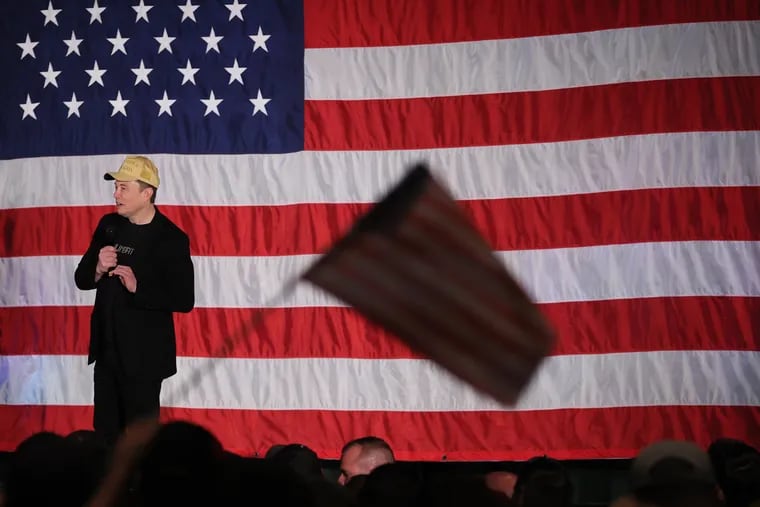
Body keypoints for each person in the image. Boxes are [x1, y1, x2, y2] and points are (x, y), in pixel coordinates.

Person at [74, 155, 195, 447]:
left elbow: (184, 299)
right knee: (105, 436)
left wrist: (138, 288)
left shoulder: (171, 238)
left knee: (140, 442)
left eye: (123, 188)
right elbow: (81, 279)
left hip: (145, 359)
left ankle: (141, 491)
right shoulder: (109, 225)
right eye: (116, 187)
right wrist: (99, 269)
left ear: (146, 192)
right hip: (107, 352)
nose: (116, 194)